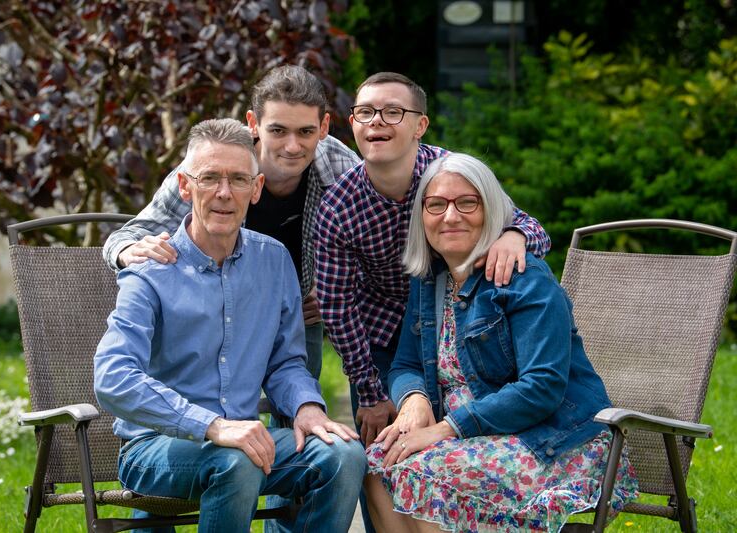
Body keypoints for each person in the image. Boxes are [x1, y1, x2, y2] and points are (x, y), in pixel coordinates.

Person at [94, 118, 366, 533]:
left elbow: (286, 363)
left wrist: (306, 406)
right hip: (155, 447)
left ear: (255, 190)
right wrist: (213, 426)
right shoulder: (150, 267)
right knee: (236, 461)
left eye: (239, 179)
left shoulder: (274, 261)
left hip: (245, 442)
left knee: (343, 455)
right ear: (185, 187)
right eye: (210, 178)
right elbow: (112, 377)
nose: (224, 193)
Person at [363, 152, 639, 532]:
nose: (450, 216)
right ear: (421, 216)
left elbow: (542, 387)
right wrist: (414, 400)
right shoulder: (430, 280)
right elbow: (406, 364)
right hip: (471, 435)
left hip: (551, 438)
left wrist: (444, 429)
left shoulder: (526, 279)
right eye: (436, 204)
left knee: (426, 476)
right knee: (377, 463)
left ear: (490, 210)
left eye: (467, 202)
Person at [314, 72, 551, 445]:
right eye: (364, 112)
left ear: (420, 125)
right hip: (381, 327)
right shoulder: (338, 207)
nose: (376, 121)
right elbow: (337, 305)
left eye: (392, 111)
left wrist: (514, 235)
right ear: (353, 124)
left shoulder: (450, 175)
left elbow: (532, 227)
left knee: (450, 431)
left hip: (453, 317)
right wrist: (368, 390)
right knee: (380, 446)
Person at [103, 64, 360, 382]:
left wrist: (336, 289)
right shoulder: (213, 163)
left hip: (298, 313)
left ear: (323, 127)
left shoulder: (341, 166)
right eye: (278, 131)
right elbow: (128, 234)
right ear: (254, 123)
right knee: (216, 404)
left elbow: (375, 247)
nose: (292, 146)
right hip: (215, 307)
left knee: (299, 400)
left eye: (305, 132)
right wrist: (129, 251)